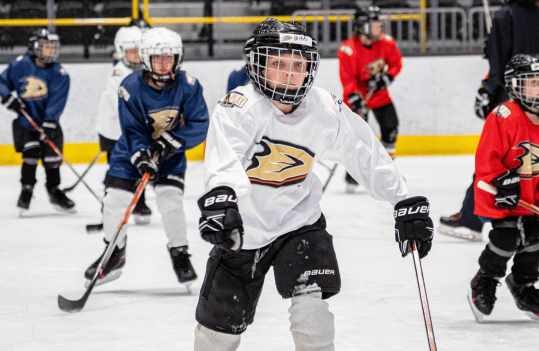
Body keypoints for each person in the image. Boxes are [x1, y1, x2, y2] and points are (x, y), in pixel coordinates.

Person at [193, 19, 433, 350]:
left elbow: (364, 151)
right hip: (243, 231)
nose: (290, 73)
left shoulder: (324, 108)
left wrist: (402, 199)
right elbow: (224, 158)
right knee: (218, 332)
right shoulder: (241, 105)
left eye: (298, 64)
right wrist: (222, 199)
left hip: (299, 223)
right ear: (257, 65)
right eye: (278, 63)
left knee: (313, 314)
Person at [83, 27, 210, 287]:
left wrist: (172, 141)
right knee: (115, 200)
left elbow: (200, 123)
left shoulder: (188, 84)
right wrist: (141, 155)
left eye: (169, 57)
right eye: (157, 58)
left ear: (178, 58)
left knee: (170, 200)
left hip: (171, 153)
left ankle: (180, 253)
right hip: (130, 149)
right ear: (145, 58)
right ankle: (114, 254)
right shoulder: (129, 86)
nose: (164, 64)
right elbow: (132, 129)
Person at [439, 0, 539, 241]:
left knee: (498, 160)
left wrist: (488, 91)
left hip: (520, 98)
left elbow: (498, 64)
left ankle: (471, 221)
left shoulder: (507, 15)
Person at [468, 53, 539, 322]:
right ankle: (485, 280)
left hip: (533, 197)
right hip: (503, 195)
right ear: (515, 86)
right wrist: (502, 181)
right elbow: (486, 158)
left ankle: (523, 284)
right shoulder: (504, 115)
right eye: (532, 83)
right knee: (507, 238)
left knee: (535, 240)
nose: (538, 89)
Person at [0, 28, 75, 215]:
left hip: (49, 123)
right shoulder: (20, 65)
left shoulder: (60, 73)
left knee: (52, 160)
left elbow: (57, 100)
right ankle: (26, 190)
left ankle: (54, 191)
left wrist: (49, 121)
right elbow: (2, 82)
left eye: (53, 48)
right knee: (30, 156)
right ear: (34, 48)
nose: (51, 52)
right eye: (46, 48)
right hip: (27, 122)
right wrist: (9, 99)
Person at [338, 5, 403, 193]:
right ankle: (354, 176)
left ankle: (386, 170)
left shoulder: (386, 42)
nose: (379, 27)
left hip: (378, 95)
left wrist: (387, 77)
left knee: (391, 127)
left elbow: (396, 63)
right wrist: (356, 99)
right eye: (374, 24)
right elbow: (347, 79)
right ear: (362, 26)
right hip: (357, 98)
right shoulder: (348, 49)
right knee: (360, 138)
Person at [96, 19, 153, 225]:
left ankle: (140, 202)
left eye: (139, 51)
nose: (136, 55)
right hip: (113, 132)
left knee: (141, 164)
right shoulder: (118, 75)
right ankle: (108, 204)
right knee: (118, 167)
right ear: (121, 52)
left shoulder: (143, 71)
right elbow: (123, 109)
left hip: (132, 129)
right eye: (131, 51)